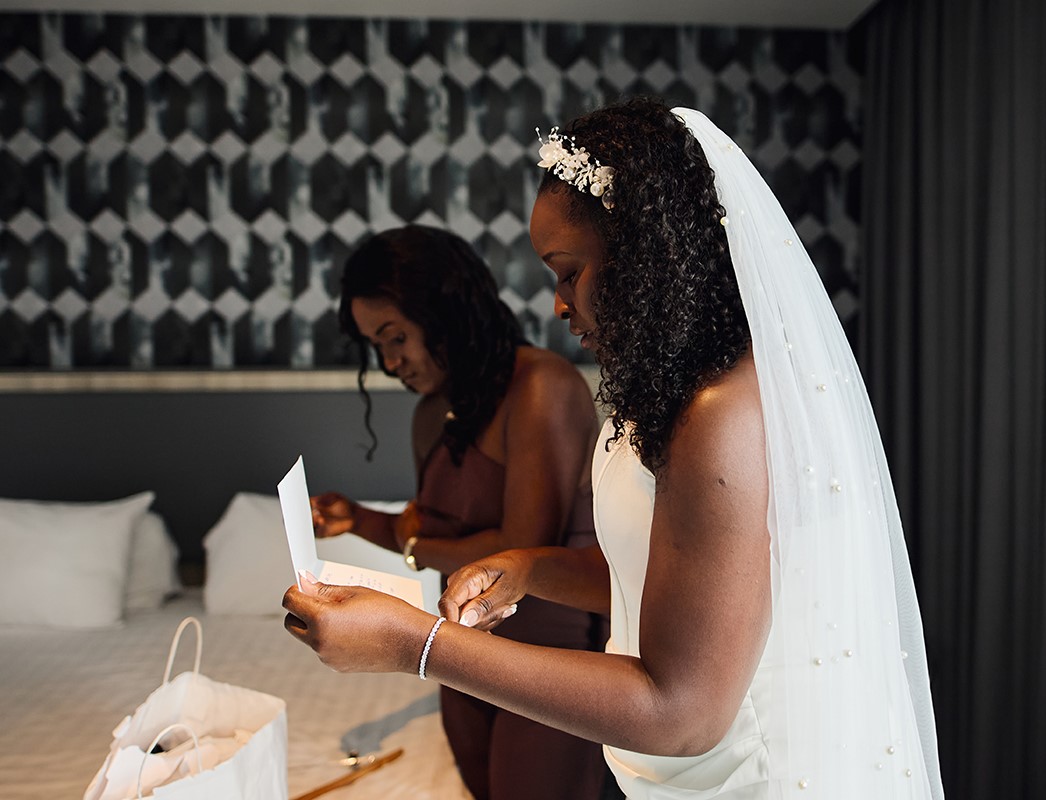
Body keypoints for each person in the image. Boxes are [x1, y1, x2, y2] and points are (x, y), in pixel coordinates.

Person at [286, 98, 944, 799]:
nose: (558, 303)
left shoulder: (722, 415)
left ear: (643, 258)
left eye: (568, 272)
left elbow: (681, 712)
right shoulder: (672, 395)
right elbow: (667, 581)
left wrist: (414, 645)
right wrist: (529, 568)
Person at [307, 224, 608, 800]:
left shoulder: (541, 385)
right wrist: (359, 519)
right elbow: (428, 535)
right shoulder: (430, 416)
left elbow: (519, 546)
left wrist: (411, 543)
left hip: (552, 659)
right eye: (376, 347)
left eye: (396, 338)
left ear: (443, 311)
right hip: (459, 655)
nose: (389, 363)